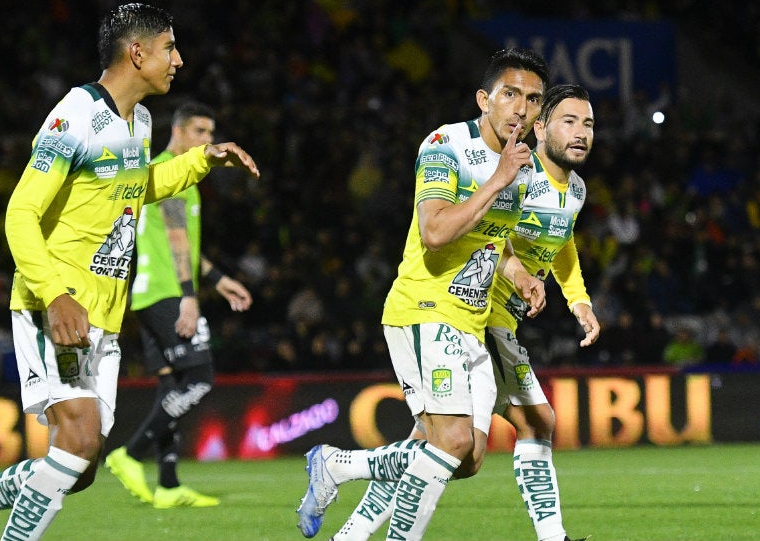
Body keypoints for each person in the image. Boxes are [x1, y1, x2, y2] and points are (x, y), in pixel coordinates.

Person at [0, 3, 259, 541]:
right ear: (136, 52)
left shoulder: (138, 121)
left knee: (81, 467)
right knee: (77, 443)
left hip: (103, 312)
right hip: (57, 307)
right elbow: (20, 212)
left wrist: (201, 161)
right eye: (170, 48)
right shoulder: (75, 115)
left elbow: (134, 190)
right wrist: (54, 295)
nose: (179, 60)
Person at [296, 47, 550, 540]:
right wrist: (498, 181)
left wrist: (517, 272)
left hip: (471, 322)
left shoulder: (523, 167)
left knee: (467, 457)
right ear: (485, 99)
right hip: (424, 309)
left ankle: (337, 468)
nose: (521, 108)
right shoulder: (444, 145)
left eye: (534, 99)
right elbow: (434, 231)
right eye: (511, 94)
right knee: (451, 442)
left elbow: (488, 240)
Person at [328, 84, 599, 541]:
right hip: (477, 315)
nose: (580, 133)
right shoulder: (517, 173)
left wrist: (578, 299)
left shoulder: (575, 189)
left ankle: (350, 522)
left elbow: (563, 241)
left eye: (588, 124)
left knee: (442, 448)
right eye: (568, 122)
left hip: (502, 321)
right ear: (540, 127)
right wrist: (517, 275)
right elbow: (490, 235)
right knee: (529, 424)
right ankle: (553, 538)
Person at [104, 101, 252, 508]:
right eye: (202, 132)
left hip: (147, 293)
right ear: (181, 131)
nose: (209, 141)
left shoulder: (157, 171)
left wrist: (219, 281)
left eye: (211, 133)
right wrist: (190, 297)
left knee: (171, 386)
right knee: (200, 378)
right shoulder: (177, 172)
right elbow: (176, 240)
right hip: (168, 293)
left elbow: (184, 242)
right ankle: (129, 454)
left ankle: (168, 484)